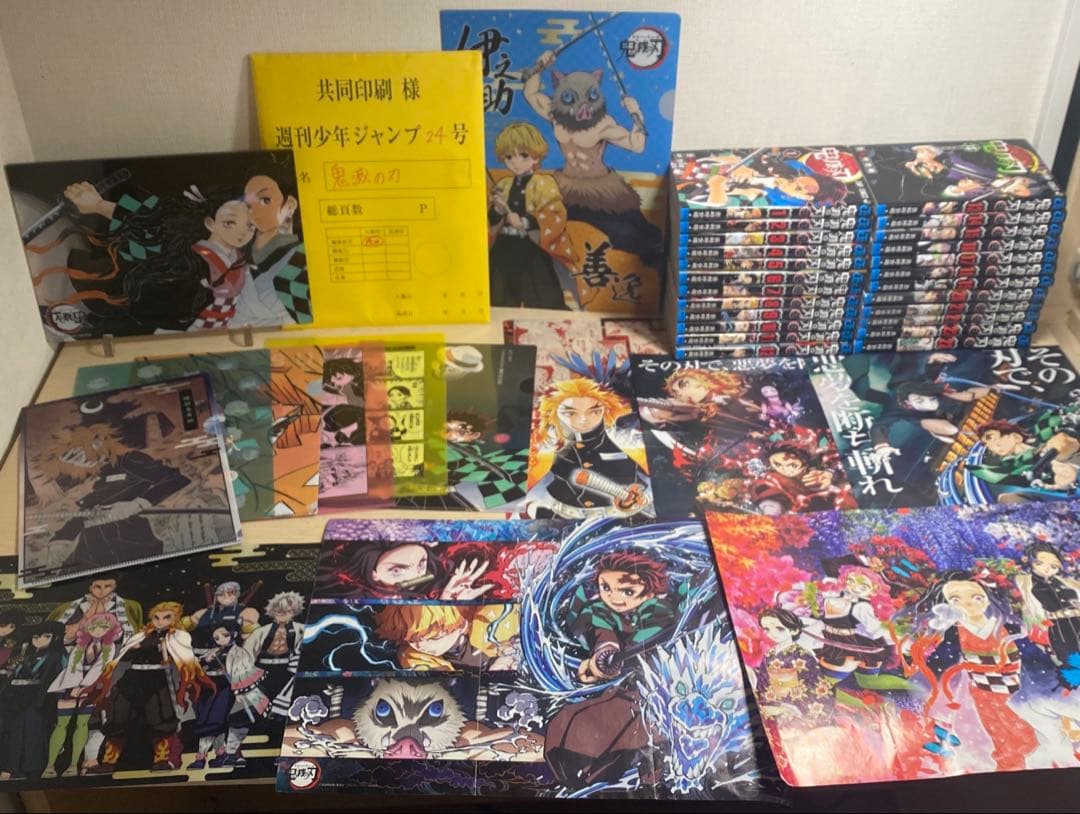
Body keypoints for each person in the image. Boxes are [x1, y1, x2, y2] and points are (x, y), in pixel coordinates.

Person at [86, 601, 211, 773]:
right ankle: (109, 761)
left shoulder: (178, 636)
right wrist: (136, 648)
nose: (160, 621)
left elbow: (183, 657)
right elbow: (124, 655)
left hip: (157, 679)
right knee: (118, 718)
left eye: (166, 617)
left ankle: (162, 759)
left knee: (161, 719)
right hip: (132, 678)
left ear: (175, 618)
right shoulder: (140, 635)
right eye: (156, 617)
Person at [532, 378, 651, 519]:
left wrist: (639, 497)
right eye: (570, 413)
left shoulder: (625, 438)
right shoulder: (546, 441)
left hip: (618, 515)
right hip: (561, 512)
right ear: (554, 412)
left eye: (594, 412)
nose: (583, 419)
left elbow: (648, 478)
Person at [487, 122, 576, 309]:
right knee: (500, 297)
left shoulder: (544, 183)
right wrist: (498, 210)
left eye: (523, 155)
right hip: (504, 248)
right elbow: (491, 220)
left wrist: (525, 222)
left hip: (532, 248)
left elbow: (554, 214)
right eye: (509, 156)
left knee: (541, 297)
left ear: (535, 157)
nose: (516, 162)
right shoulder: (503, 184)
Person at [0, 622, 66, 780]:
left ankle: (32, 767)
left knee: (33, 732)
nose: (39, 640)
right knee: (14, 732)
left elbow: (51, 678)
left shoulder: (55, 656)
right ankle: (11, 767)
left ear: (55, 638)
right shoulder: (26, 654)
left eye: (46, 636)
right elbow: (13, 674)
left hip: (37, 698)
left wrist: (42, 701)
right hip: (16, 697)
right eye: (36, 636)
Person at [374, 604, 520, 671]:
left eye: (433, 637)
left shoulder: (491, 626)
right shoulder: (413, 656)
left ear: (461, 625)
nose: (421, 645)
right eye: (412, 639)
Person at [242, 592, 305, 720]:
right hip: (262, 671)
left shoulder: (302, 629)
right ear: (273, 611)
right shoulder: (260, 631)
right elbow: (247, 653)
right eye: (279, 611)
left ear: (294, 611)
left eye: (287, 611)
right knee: (260, 707)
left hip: (287, 672)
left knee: (281, 710)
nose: (282, 614)